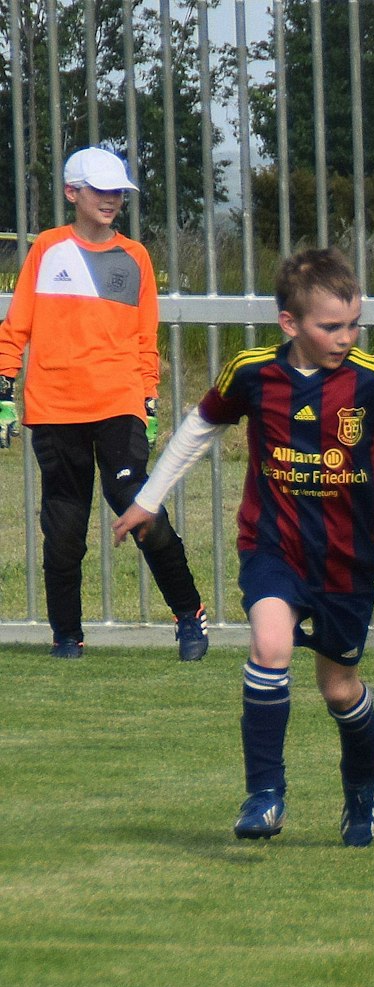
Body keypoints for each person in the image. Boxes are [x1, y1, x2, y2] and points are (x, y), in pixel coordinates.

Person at [112, 248, 374, 846]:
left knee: (338, 688)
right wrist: (150, 496)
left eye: (353, 324)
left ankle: (362, 787)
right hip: (273, 545)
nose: (346, 337)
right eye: (331, 326)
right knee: (269, 646)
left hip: (346, 559)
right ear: (289, 323)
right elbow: (200, 426)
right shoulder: (251, 372)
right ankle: (265, 793)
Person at [0, 147, 209, 660]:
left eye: (118, 191)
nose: (112, 199)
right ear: (73, 192)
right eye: (101, 190)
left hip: (118, 405)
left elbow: (145, 338)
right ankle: (67, 635)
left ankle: (189, 616)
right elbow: (16, 327)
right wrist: (5, 392)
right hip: (53, 410)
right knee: (64, 529)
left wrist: (149, 400)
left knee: (139, 507)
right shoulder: (46, 249)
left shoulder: (135, 256)